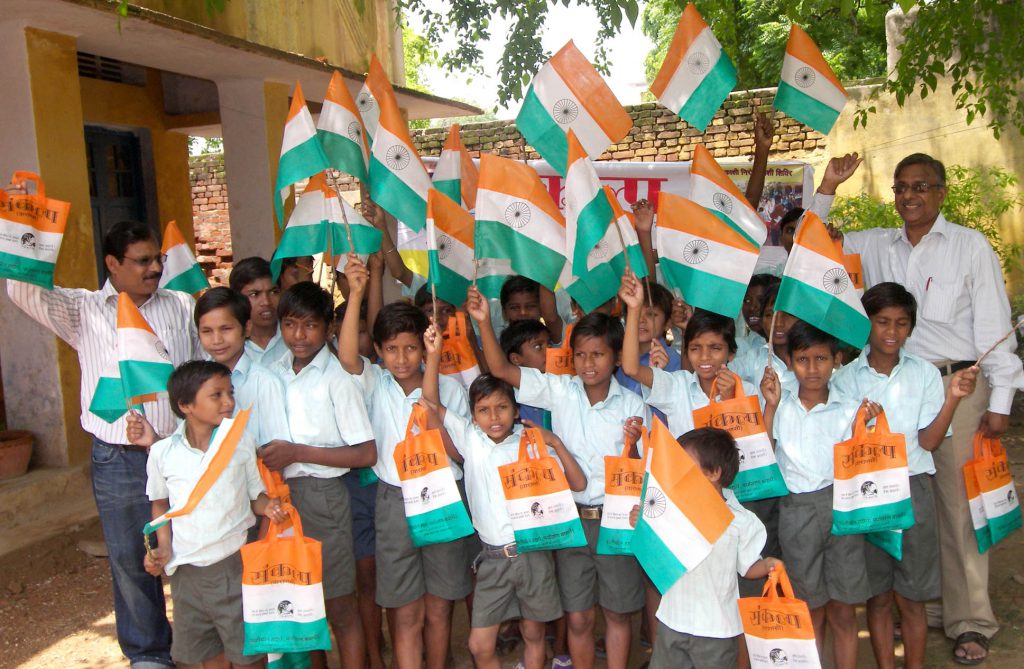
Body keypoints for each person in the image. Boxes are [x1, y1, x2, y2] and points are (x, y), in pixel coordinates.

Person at [826, 152, 1024, 664]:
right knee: (901, 498)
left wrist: (999, 400)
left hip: (952, 386)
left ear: (941, 193)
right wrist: (828, 184)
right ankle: (929, 600)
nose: (909, 196)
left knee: (958, 508)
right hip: (887, 388)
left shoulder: (969, 246)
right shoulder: (874, 244)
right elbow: (813, 240)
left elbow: (994, 326)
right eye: (901, 188)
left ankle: (970, 620)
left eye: (920, 187)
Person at [6, 220, 201, 669]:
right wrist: (23, 224)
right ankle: (149, 654)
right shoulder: (83, 310)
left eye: (158, 259)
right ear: (112, 263)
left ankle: (198, 645)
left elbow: (201, 368)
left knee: (194, 550)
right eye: (143, 261)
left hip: (178, 451)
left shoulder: (179, 305)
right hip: (118, 459)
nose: (155, 268)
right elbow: (21, 290)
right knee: (132, 559)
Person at [469, 284, 649, 669]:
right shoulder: (560, 391)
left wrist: (633, 445)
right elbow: (500, 369)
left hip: (616, 520)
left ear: (616, 358)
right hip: (569, 521)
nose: (587, 363)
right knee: (579, 616)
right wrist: (483, 321)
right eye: (580, 354)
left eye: (598, 354)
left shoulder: (633, 405)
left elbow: (639, 470)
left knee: (617, 614)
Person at [421, 323, 587, 669]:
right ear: (474, 415)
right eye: (483, 410)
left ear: (516, 410)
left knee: (533, 634)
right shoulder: (470, 440)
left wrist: (554, 442)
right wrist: (433, 356)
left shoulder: (532, 444)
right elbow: (430, 404)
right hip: (492, 559)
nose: (493, 417)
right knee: (480, 645)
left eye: (501, 408)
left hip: (531, 555)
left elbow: (578, 483)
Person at [831, 282, 978, 669]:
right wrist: (859, 424)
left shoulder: (925, 374)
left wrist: (953, 399)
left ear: (911, 327)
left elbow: (930, 442)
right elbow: (842, 446)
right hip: (867, 495)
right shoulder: (845, 378)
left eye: (901, 323)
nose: (891, 332)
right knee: (878, 596)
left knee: (912, 597)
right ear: (867, 325)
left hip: (912, 489)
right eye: (882, 322)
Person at [338, 254, 473, 669]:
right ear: (377, 350)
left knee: (438, 607)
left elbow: (456, 446)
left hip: (444, 499)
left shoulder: (449, 388)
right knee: (405, 608)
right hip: (394, 500)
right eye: (392, 349)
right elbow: (346, 359)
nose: (401, 358)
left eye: (411, 348)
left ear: (426, 347)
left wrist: (434, 360)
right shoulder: (375, 383)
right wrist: (358, 293)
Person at [260, 281, 378, 669]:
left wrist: (297, 453)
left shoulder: (337, 380)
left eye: (310, 325)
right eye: (290, 324)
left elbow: (365, 453)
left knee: (339, 602)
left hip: (324, 496)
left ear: (328, 328)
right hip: (279, 498)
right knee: (300, 601)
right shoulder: (271, 371)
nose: (299, 335)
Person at [143, 360, 288, 669]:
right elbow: (160, 505)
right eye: (217, 395)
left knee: (248, 657)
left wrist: (270, 507)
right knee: (204, 655)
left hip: (234, 567)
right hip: (186, 575)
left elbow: (254, 497)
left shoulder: (241, 443)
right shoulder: (162, 453)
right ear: (185, 405)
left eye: (230, 393)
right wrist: (164, 546)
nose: (229, 402)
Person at [761, 321, 878, 669]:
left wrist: (867, 425)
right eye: (802, 360)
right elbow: (764, 458)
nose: (812, 369)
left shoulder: (851, 407)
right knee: (810, 608)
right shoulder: (778, 403)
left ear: (836, 360)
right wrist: (769, 407)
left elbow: (863, 462)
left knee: (844, 608)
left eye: (821, 359)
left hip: (842, 508)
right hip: (796, 510)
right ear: (790, 361)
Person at [627, 428, 782, 669]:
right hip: (672, 621)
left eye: (685, 465)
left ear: (713, 473)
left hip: (717, 630)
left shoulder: (740, 520)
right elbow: (652, 548)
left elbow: (747, 567)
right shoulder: (670, 509)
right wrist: (640, 523)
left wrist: (768, 565)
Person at [229, 257, 287, 366]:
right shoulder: (227, 346)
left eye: (273, 292)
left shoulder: (296, 338)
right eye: (254, 294)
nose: (266, 302)